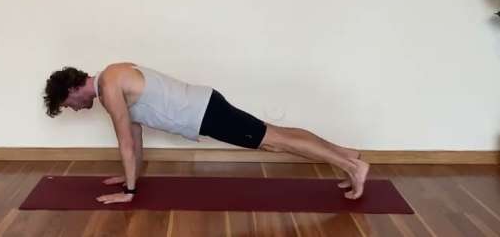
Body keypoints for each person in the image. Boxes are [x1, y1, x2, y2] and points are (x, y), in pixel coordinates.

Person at [43, 62, 370, 204]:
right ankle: (348, 156)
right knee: (274, 135)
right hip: (203, 105)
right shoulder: (112, 75)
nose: (73, 109)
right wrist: (130, 177)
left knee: (274, 141)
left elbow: (125, 141)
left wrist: (129, 192)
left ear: (74, 88)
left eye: (69, 103)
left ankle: (353, 166)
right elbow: (135, 135)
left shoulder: (109, 87)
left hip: (203, 113)